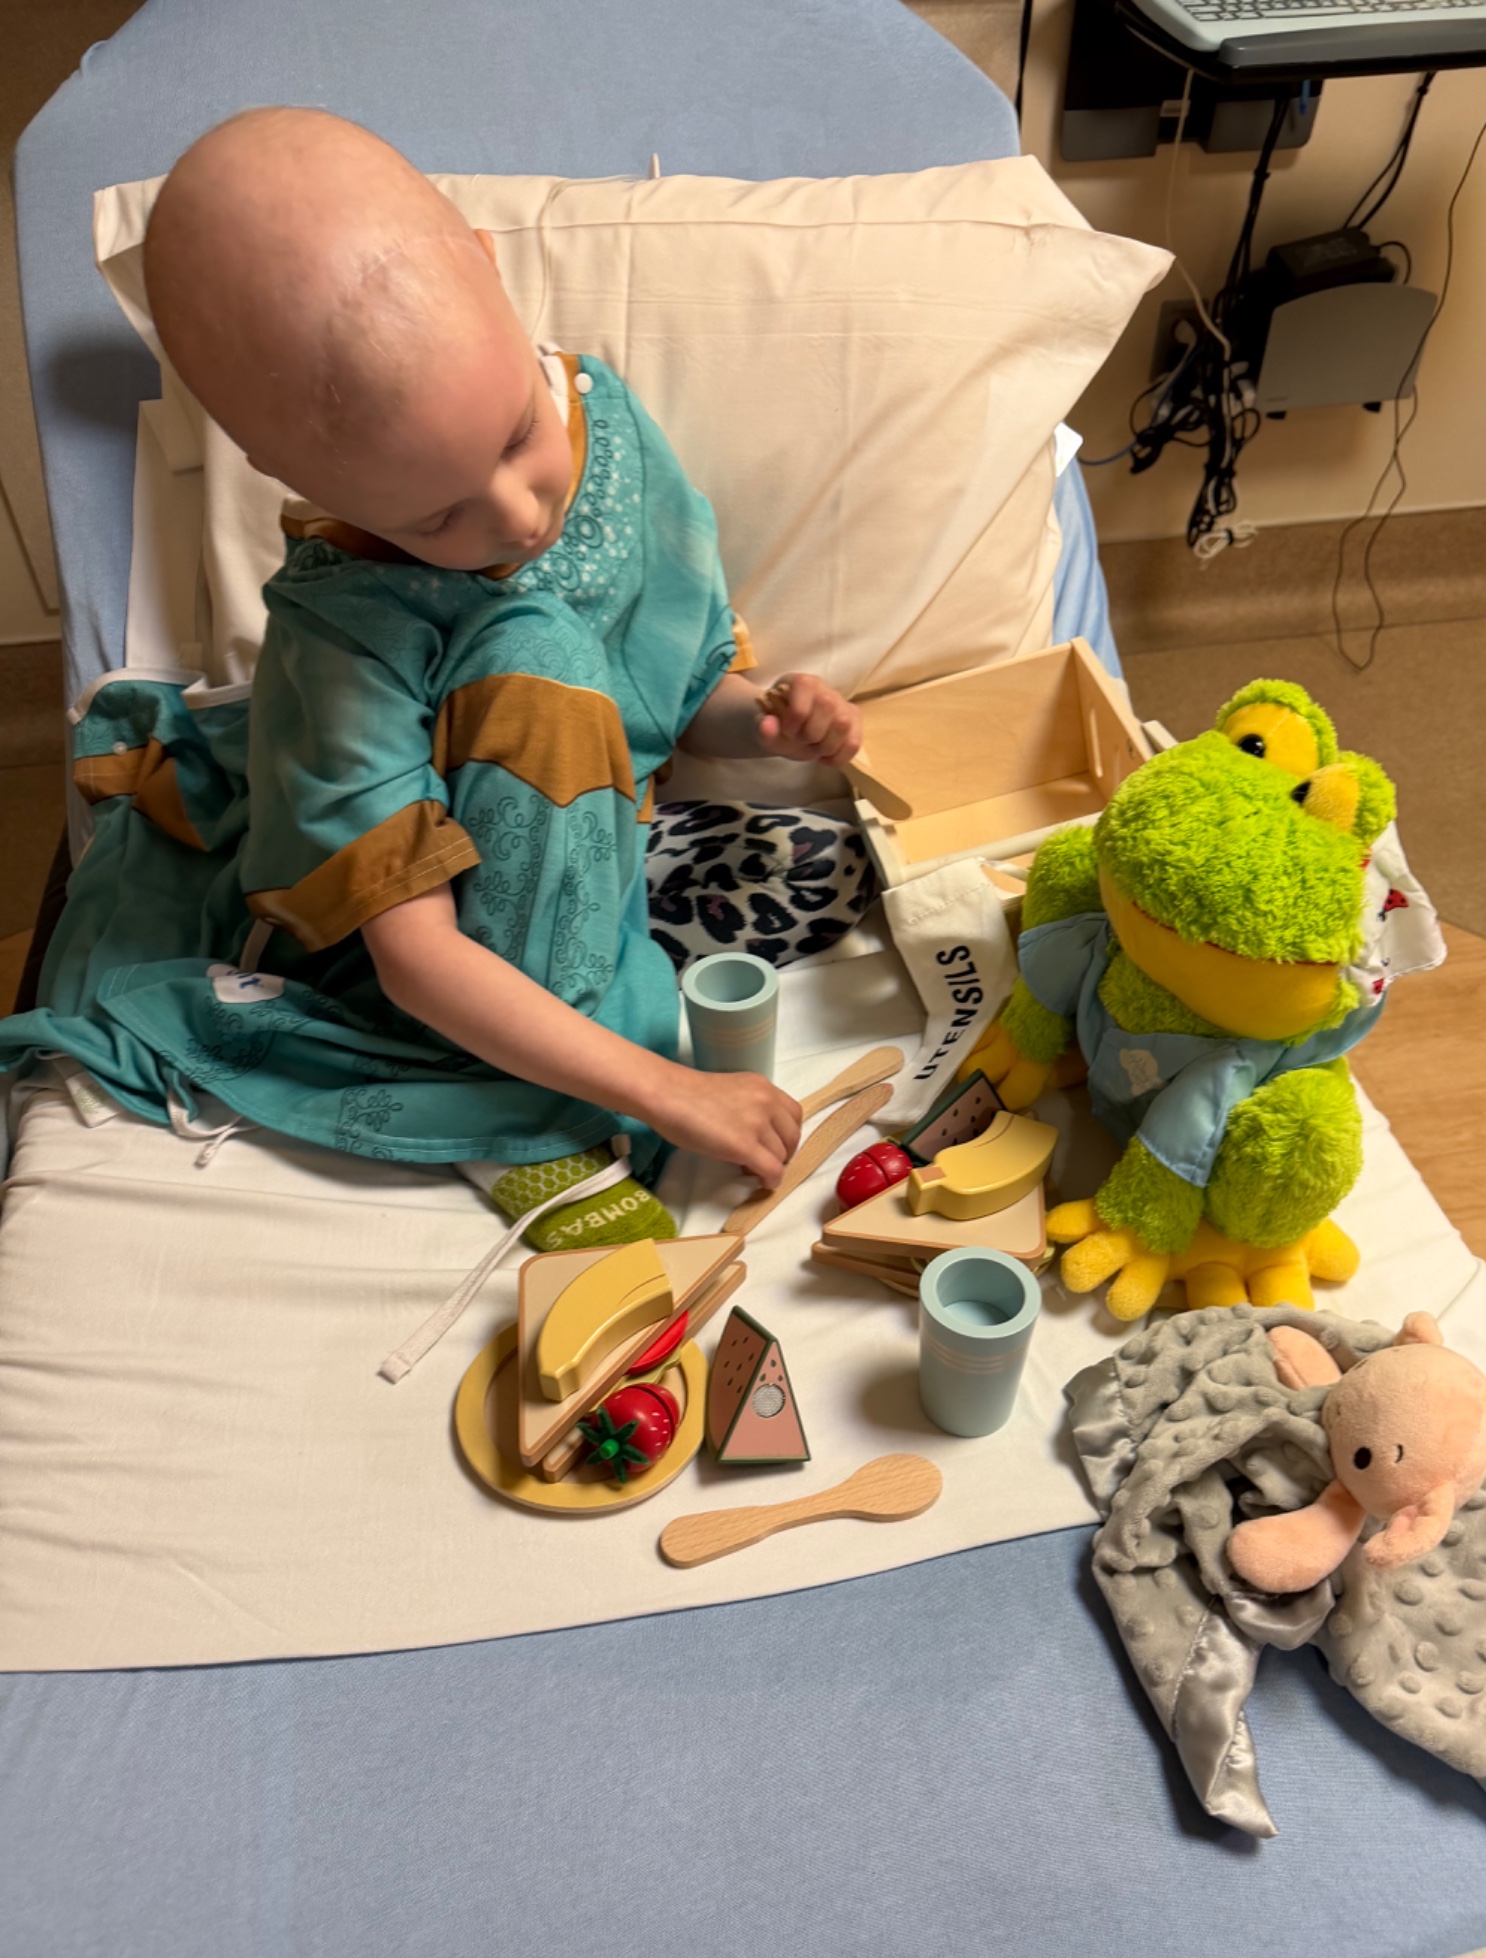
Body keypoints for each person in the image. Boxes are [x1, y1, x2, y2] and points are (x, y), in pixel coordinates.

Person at [4, 108, 868, 1240]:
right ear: (285, 470)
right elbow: (415, 962)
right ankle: (497, 1112)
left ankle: (560, 1055)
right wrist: (665, 1089)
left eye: (515, 438)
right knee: (533, 646)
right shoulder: (341, 640)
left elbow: (670, 695)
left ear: (490, 268)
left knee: (832, 861)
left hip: (599, 852)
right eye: (435, 517)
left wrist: (764, 723)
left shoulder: (608, 427)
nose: (518, 517)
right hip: (430, 960)